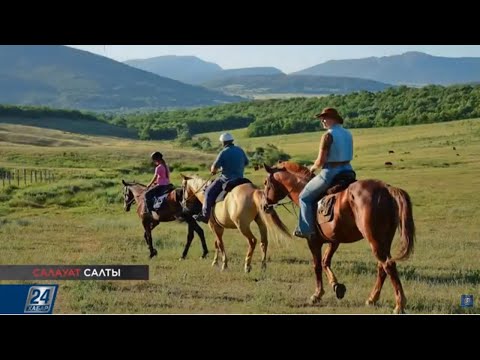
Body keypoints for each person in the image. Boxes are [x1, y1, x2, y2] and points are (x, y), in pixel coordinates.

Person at [294, 107, 354, 240]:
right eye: (322, 118)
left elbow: (321, 161)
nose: (322, 121)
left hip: (331, 172)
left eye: (324, 118)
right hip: (349, 170)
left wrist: (312, 168)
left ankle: (305, 229)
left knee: (304, 197)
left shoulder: (328, 135)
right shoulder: (348, 133)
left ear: (333, 119)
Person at [193, 132, 249, 223]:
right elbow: (246, 163)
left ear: (224, 142)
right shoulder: (240, 150)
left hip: (226, 179)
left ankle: (205, 216)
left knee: (208, 192)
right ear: (231, 141)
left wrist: (213, 171)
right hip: (240, 178)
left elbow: (214, 168)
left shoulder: (223, 152)